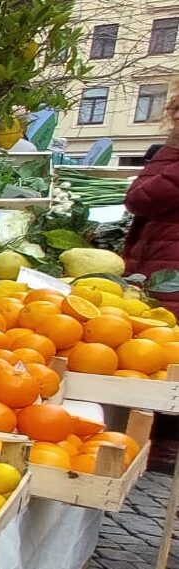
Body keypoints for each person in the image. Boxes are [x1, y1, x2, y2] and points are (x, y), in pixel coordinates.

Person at [123, 94, 179, 474]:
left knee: (163, 357)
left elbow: (140, 197)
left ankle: (157, 448)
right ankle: (156, 447)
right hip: (161, 263)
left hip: (169, 271)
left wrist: (169, 154)